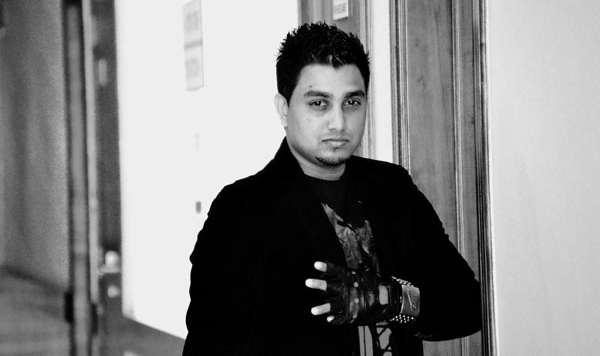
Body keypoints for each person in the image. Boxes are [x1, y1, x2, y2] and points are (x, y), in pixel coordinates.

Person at [182, 22, 481, 356]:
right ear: (284, 109)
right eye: (319, 103)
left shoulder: (392, 187)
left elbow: (469, 305)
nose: (339, 123)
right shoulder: (243, 210)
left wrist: (392, 298)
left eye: (351, 102)